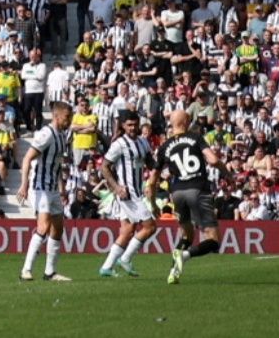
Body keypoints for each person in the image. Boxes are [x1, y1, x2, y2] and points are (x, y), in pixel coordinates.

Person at [159, 108, 223, 284]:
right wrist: (227, 172)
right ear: (186, 122)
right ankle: (185, 255)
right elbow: (213, 160)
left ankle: (173, 273)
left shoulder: (164, 146)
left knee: (187, 235)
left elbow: (153, 180)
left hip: (177, 193)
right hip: (197, 189)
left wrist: (151, 201)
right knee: (213, 239)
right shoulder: (195, 137)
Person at [16, 101, 74, 282]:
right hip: (40, 187)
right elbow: (27, 158)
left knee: (57, 230)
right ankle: (26, 269)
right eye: (67, 117)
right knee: (43, 227)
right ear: (56, 116)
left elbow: (56, 165)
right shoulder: (45, 134)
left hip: (53, 189)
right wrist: (24, 184)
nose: (69, 121)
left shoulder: (62, 136)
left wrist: (62, 188)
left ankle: (50, 272)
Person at [96, 108, 154, 278]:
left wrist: (164, 167)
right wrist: (116, 187)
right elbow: (104, 166)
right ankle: (126, 258)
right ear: (123, 125)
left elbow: (151, 162)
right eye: (129, 125)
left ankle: (106, 268)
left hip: (138, 191)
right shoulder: (119, 144)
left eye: (135, 124)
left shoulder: (143, 142)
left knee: (128, 230)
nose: (132, 128)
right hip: (129, 194)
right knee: (150, 227)